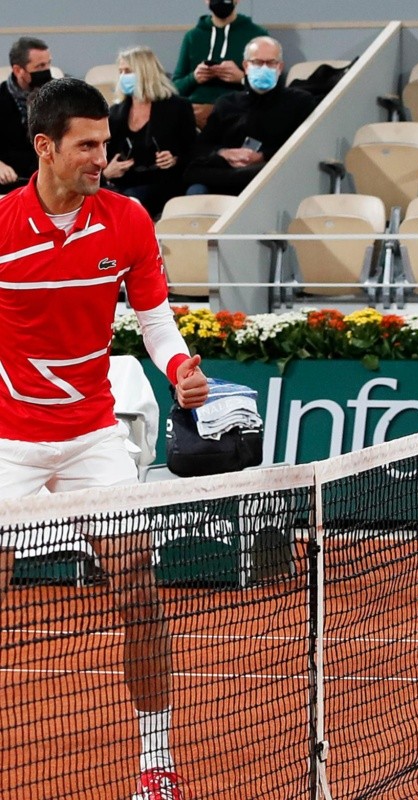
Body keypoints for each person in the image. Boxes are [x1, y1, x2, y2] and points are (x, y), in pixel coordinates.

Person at [0, 78, 209, 800]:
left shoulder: (125, 220)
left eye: (105, 142)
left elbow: (154, 317)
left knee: (139, 590)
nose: (103, 155)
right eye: (87, 144)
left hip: (93, 431)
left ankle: (156, 764)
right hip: (8, 436)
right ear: (45, 147)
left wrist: (180, 367)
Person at [183, 35, 316, 196]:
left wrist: (262, 156)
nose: (264, 68)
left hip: (271, 175)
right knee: (193, 175)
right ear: (246, 66)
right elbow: (202, 147)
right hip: (227, 175)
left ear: (280, 67)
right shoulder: (226, 103)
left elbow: (305, 148)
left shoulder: (300, 102)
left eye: (271, 63)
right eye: (258, 62)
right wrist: (225, 153)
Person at [103, 46, 196, 219]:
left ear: (146, 72)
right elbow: (102, 156)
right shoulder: (114, 113)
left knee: (130, 202)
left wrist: (175, 158)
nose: (123, 77)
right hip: (121, 184)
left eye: (128, 71)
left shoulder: (177, 107)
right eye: (121, 71)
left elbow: (194, 150)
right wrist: (107, 172)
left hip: (162, 183)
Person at [172, 0, 269, 129]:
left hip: (236, 111)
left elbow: (268, 88)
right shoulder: (193, 36)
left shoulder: (257, 35)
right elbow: (175, 88)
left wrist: (241, 78)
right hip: (194, 114)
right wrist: (194, 78)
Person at [0, 36, 55, 191]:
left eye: (48, 63)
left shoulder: (60, 96)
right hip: (11, 183)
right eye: (40, 66)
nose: (46, 71)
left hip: (52, 182)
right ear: (18, 70)